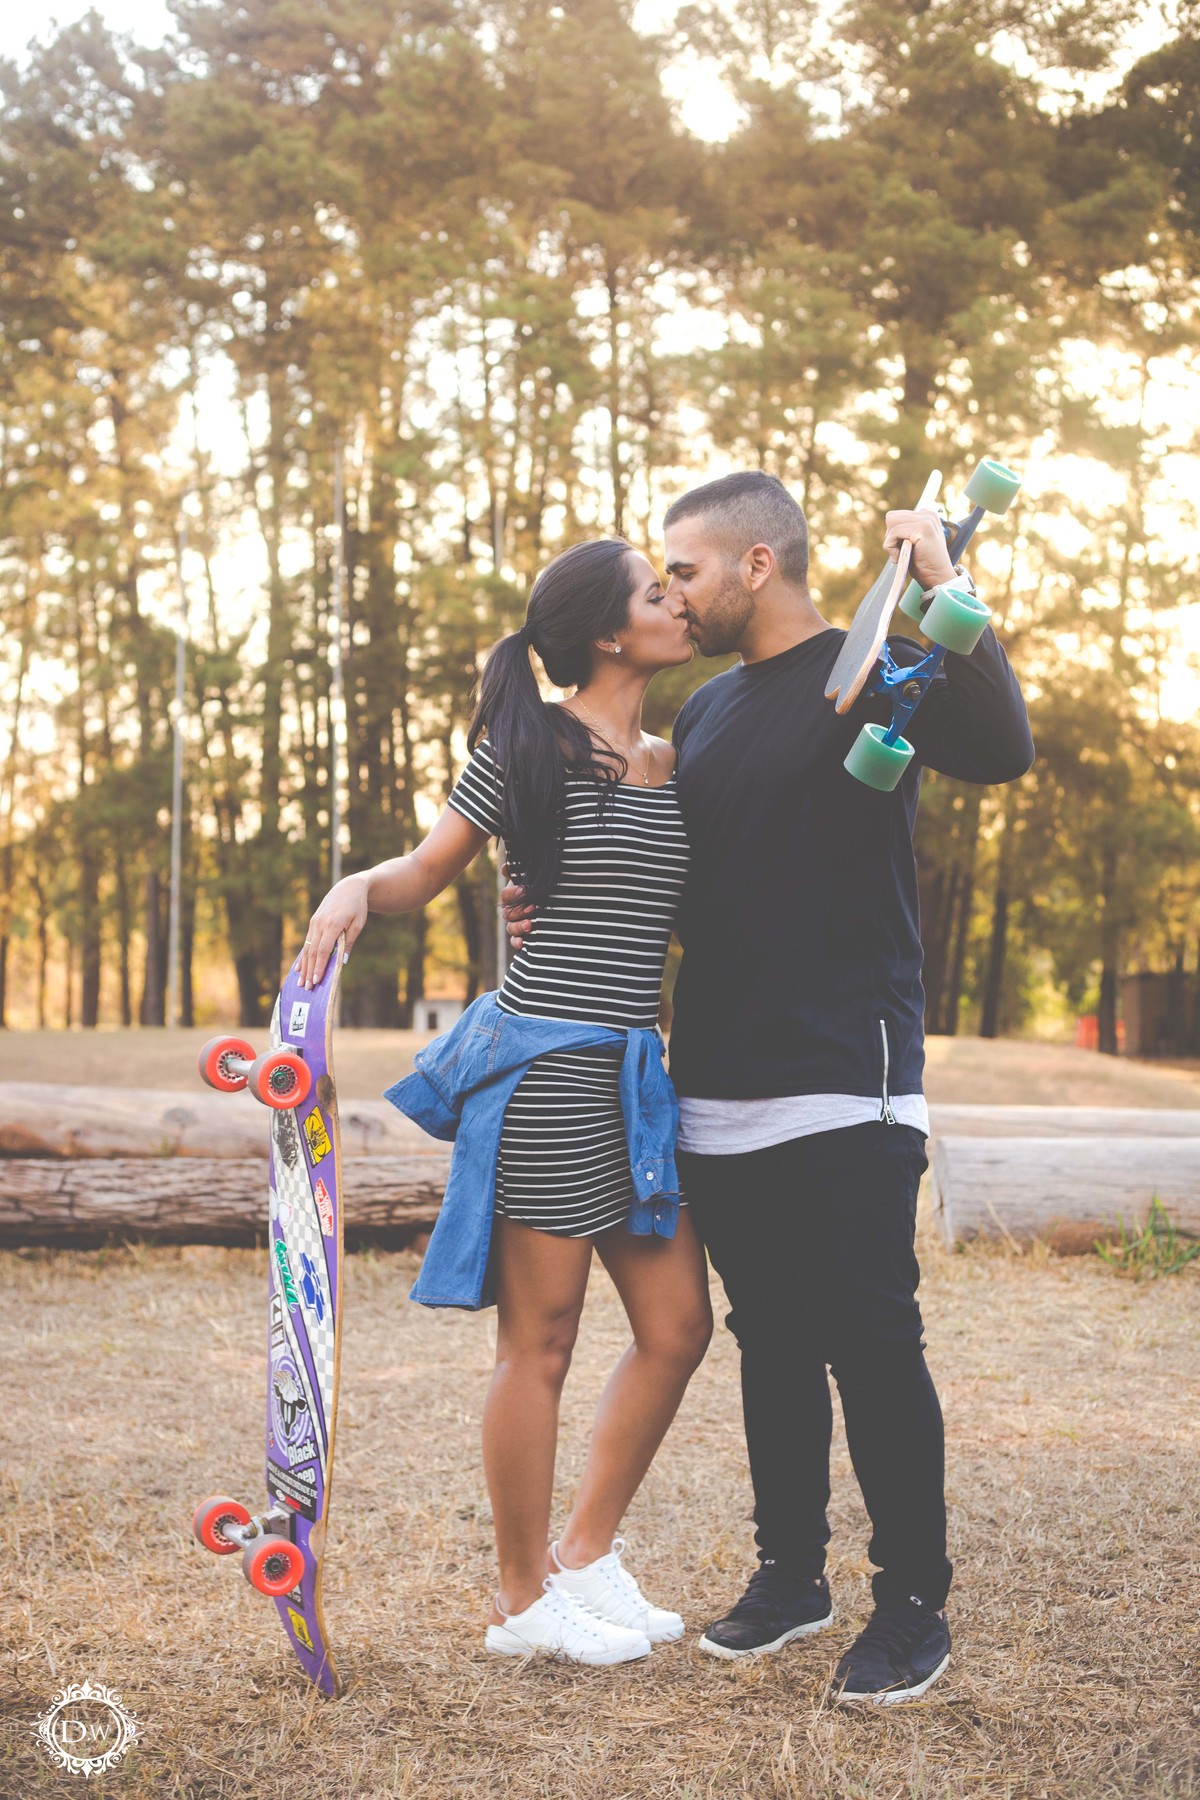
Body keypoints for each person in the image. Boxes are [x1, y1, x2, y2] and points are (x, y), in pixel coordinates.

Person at [505, 471, 1034, 1703]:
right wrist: (555, 900)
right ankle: (791, 1576)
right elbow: (690, 894)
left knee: (871, 1341)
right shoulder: (709, 718)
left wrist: (948, 577)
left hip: (849, 1079)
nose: (670, 594)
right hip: (720, 1085)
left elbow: (1003, 749)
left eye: (683, 570)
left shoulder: (889, 666)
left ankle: (911, 1604)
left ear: (755, 564)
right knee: (771, 1344)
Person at [298, 537, 712, 1668]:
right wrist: (352, 886)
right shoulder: (527, 742)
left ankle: (584, 1556)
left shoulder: (679, 759)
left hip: (635, 1076)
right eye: (656, 591)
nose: (679, 602)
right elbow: (427, 871)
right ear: (609, 634)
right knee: (541, 1341)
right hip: (543, 1072)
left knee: (679, 1327)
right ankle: (525, 1600)